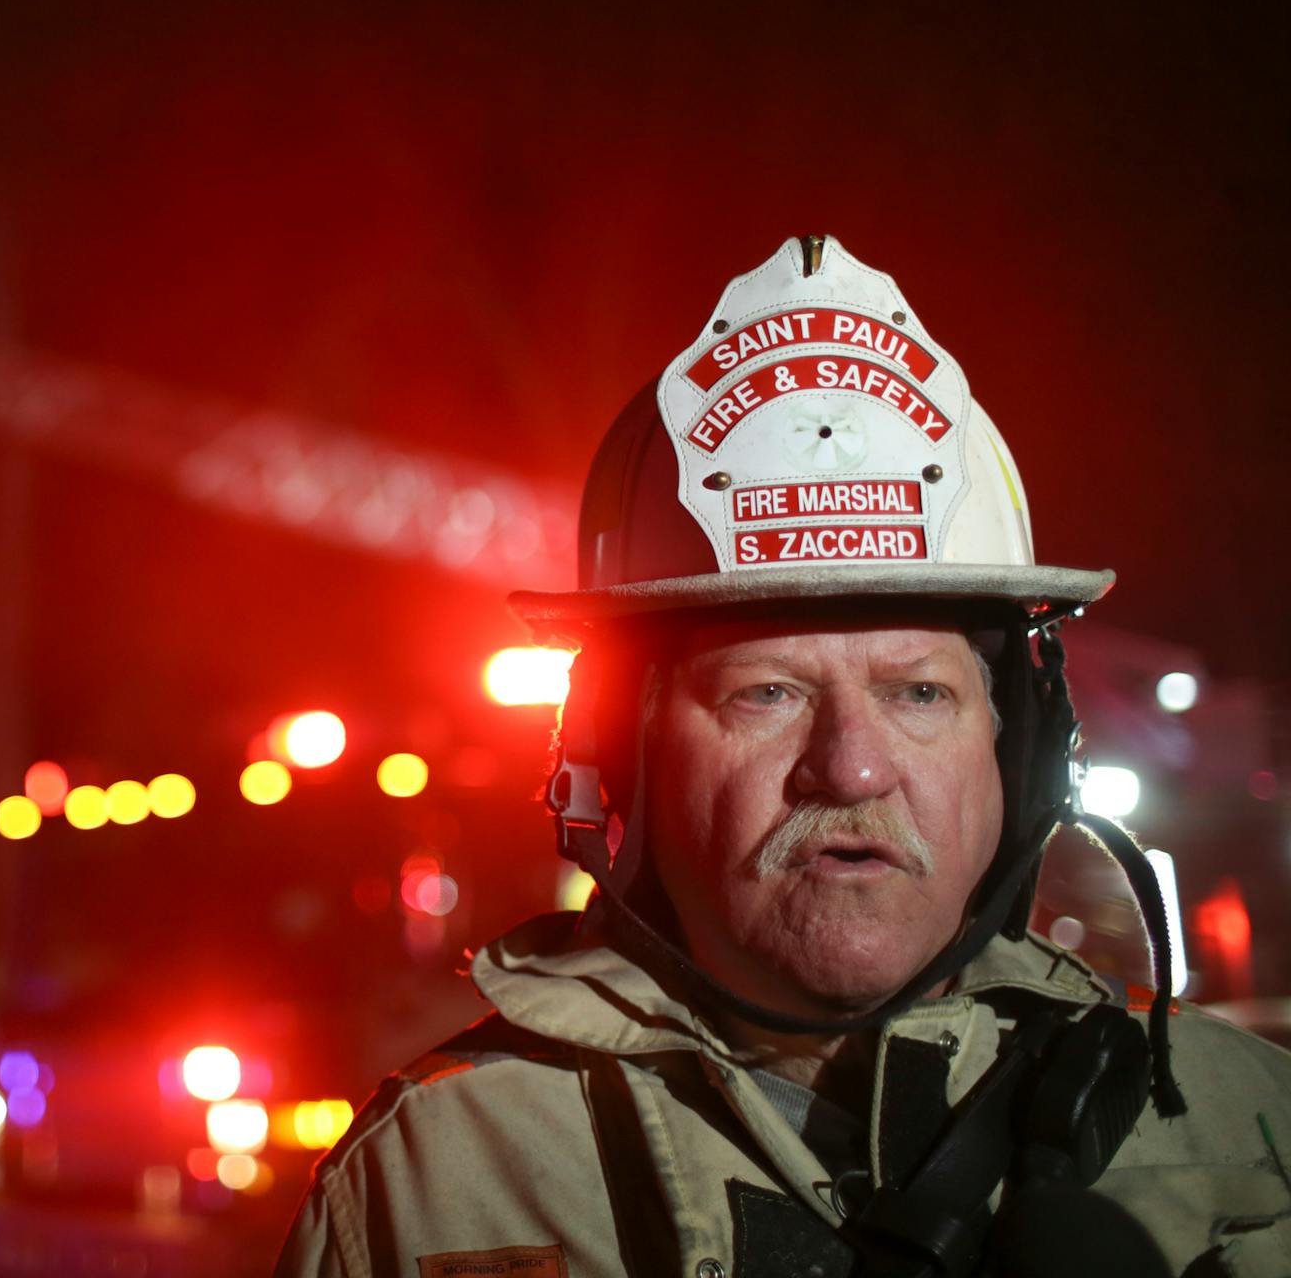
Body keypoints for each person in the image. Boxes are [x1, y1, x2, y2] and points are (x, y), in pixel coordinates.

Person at [274, 237, 1291, 1278]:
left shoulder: (1251, 1132)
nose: (849, 770)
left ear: (1022, 756)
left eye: (918, 694)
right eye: (766, 694)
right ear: (620, 757)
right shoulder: (435, 1184)